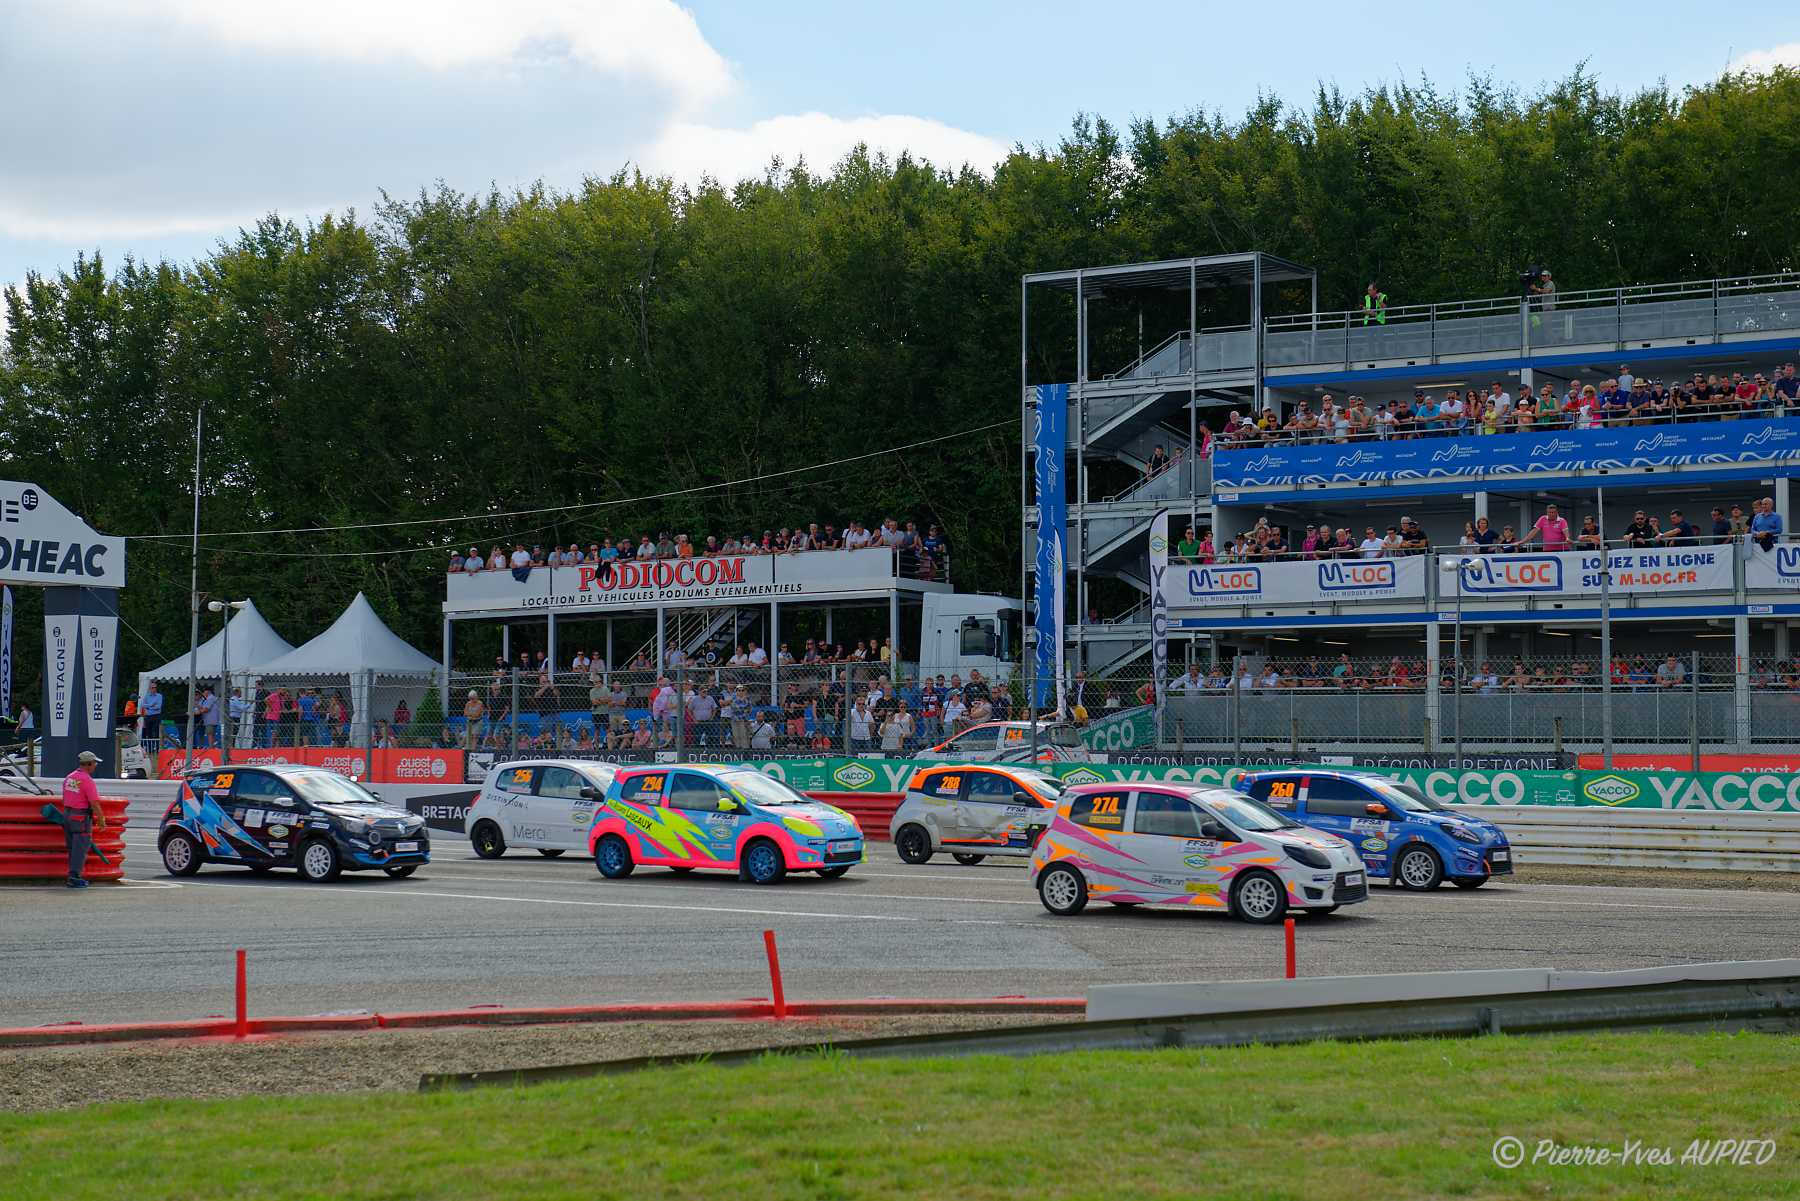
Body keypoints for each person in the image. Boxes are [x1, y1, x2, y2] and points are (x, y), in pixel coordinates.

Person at [59, 750, 107, 889]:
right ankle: (74, 877)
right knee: (80, 848)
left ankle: (73, 875)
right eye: (95, 763)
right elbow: (94, 803)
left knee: (72, 848)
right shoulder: (87, 780)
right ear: (89, 764)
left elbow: (65, 798)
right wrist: (101, 819)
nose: (96, 765)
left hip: (67, 815)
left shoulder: (69, 777)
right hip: (80, 818)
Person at [140, 682, 164, 750]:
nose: (154, 689)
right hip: (148, 716)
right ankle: (150, 748)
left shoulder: (159, 696)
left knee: (156, 731)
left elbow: (158, 706)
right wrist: (152, 705)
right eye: (153, 687)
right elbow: (142, 705)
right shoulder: (147, 696)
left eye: (155, 687)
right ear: (150, 688)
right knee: (148, 732)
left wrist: (148, 706)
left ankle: (156, 748)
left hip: (156, 716)